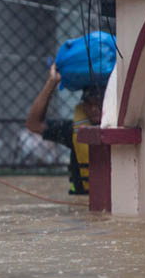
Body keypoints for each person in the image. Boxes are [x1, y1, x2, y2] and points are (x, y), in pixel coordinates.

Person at [25, 63, 103, 195]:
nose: (93, 109)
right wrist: (51, 83)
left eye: (99, 103)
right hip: (80, 204)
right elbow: (33, 124)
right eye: (89, 103)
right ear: (83, 105)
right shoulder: (72, 131)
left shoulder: (123, 130)